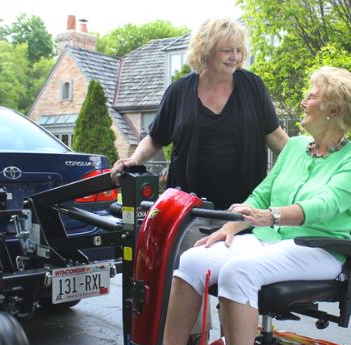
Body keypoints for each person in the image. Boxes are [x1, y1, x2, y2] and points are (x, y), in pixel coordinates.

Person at [158, 66, 351, 345]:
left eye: (313, 95)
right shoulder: (292, 149)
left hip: (318, 247)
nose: (305, 100)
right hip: (271, 239)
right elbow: (262, 192)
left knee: (239, 270)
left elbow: (327, 204)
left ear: (334, 109)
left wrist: (272, 217)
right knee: (192, 259)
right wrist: (234, 223)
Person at [109, 17, 288, 211]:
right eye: (226, 50)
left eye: (238, 50)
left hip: (245, 207)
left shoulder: (253, 86)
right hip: (187, 207)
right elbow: (155, 139)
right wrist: (134, 160)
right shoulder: (179, 91)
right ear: (206, 51)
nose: (235, 57)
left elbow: (276, 136)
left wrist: (312, 159)